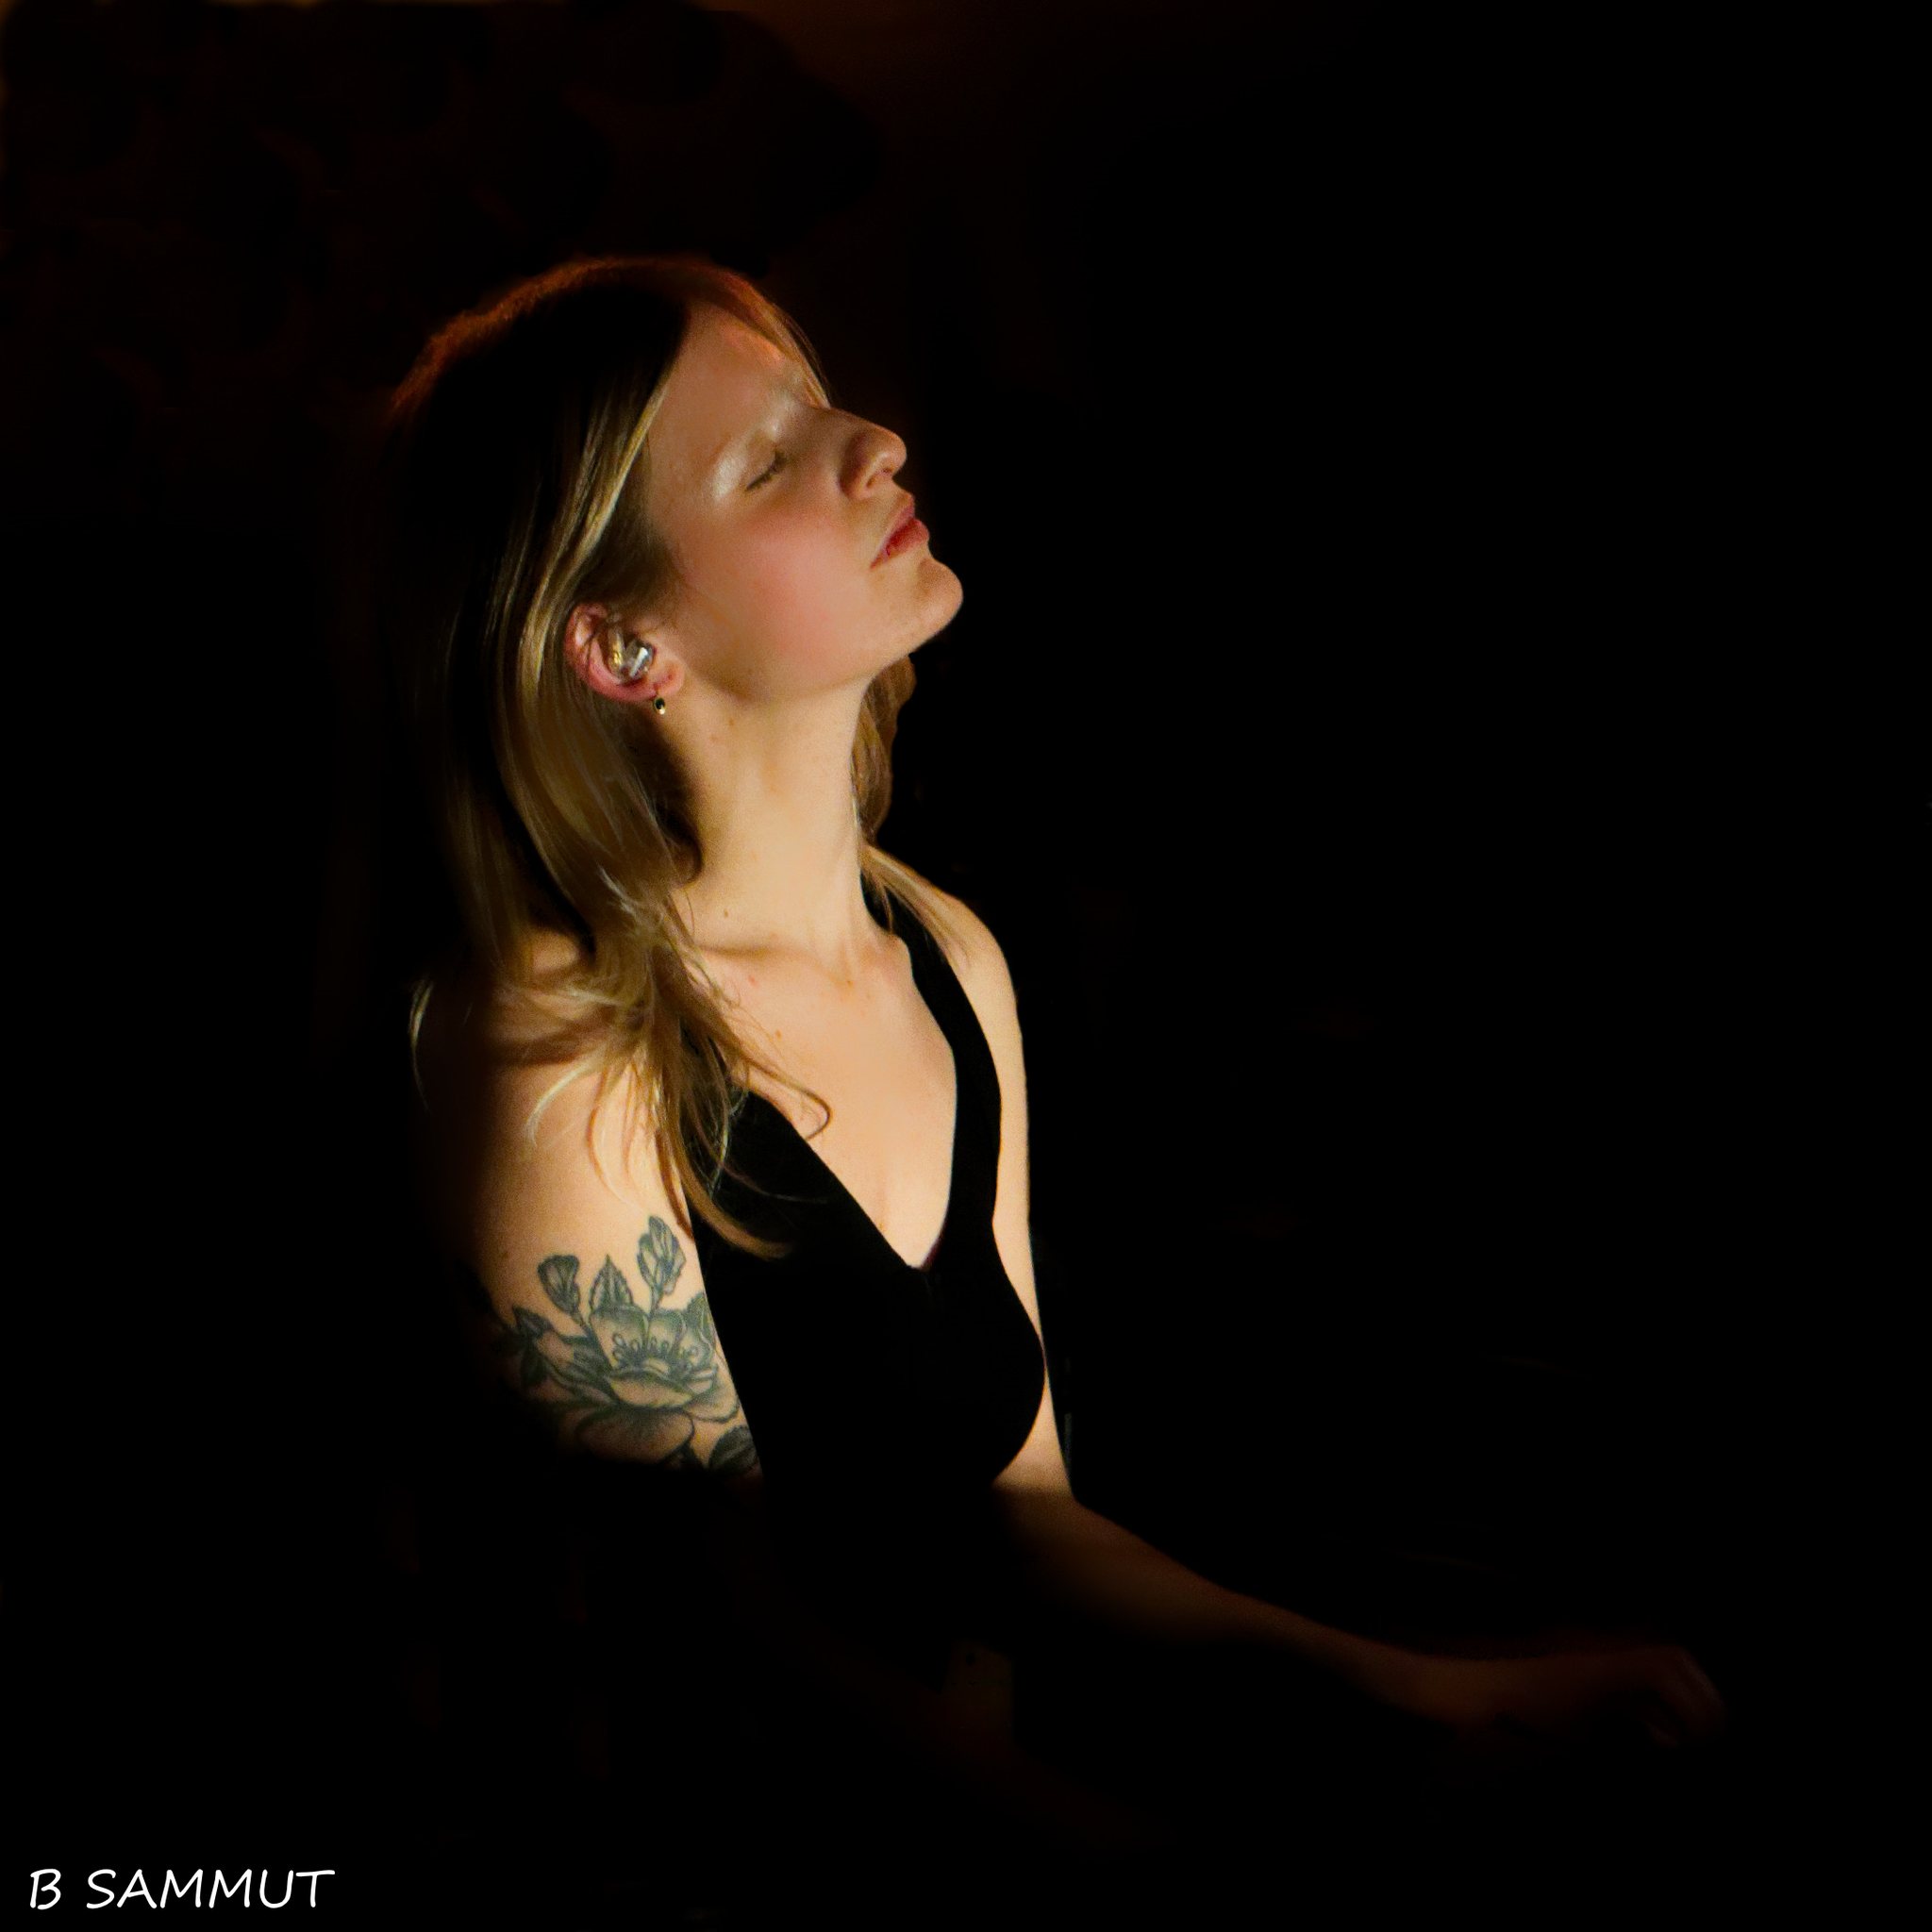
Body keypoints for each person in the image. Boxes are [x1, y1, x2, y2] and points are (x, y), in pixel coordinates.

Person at [359, 253, 1726, 1925]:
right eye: (770, 461)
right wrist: (1133, 1872)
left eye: (822, 406)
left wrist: (1428, 1686)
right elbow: (719, 1643)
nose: (873, 443)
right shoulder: (555, 1057)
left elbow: (1018, 1511)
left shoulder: (945, 953)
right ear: (624, 643)